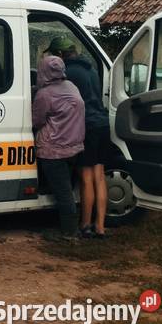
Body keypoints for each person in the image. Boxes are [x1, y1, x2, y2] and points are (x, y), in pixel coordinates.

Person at [49, 36, 109, 238]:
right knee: (99, 176)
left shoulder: (69, 73)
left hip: (87, 127)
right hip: (102, 124)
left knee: (85, 176)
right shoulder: (90, 68)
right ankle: (100, 226)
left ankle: (84, 224)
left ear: (60, 54)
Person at [32, 55, 85, 239]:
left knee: (63, 193)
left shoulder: (44, 94)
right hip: (74, 147)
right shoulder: (72, 87)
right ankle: (67, 225)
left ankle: (70, 232)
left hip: (53, 150)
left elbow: (37, 121)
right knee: (66, 189)